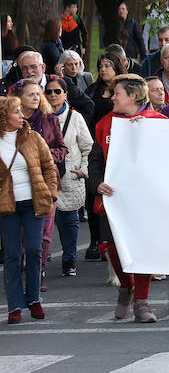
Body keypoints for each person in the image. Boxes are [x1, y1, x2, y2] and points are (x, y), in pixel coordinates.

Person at [91, 75, 167, 323]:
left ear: (133, 97)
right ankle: (126, 287)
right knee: (113, 250)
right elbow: (95, 160)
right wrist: (96, 184)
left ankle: (142, 303)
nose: (112, 97)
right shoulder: (104, 124)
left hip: (145, 201)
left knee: (142, 250)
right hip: (112, 201)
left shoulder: (159, 123)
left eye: (117, 94)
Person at [1, 94, 60, 323]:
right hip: (7, 206)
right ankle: (15, 305)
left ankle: (34, 299)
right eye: (15, 111)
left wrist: (51, 194)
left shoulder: (33, 137)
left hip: (34, 202)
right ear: (3, 116)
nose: (21, 115)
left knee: (34, 251)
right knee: (13, 255)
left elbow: (49, 167)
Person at [46, 78, 91, 278]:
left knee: (69, 220)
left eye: (57, 91)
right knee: (45, 220)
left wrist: (83, 169)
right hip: (45, 176)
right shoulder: (39, 117)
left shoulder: (75, 117)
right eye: (49, 92)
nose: (53, 95)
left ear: (65, 94)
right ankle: (41, 261)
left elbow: (88, 147)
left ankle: (69, 259)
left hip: (70, 175)